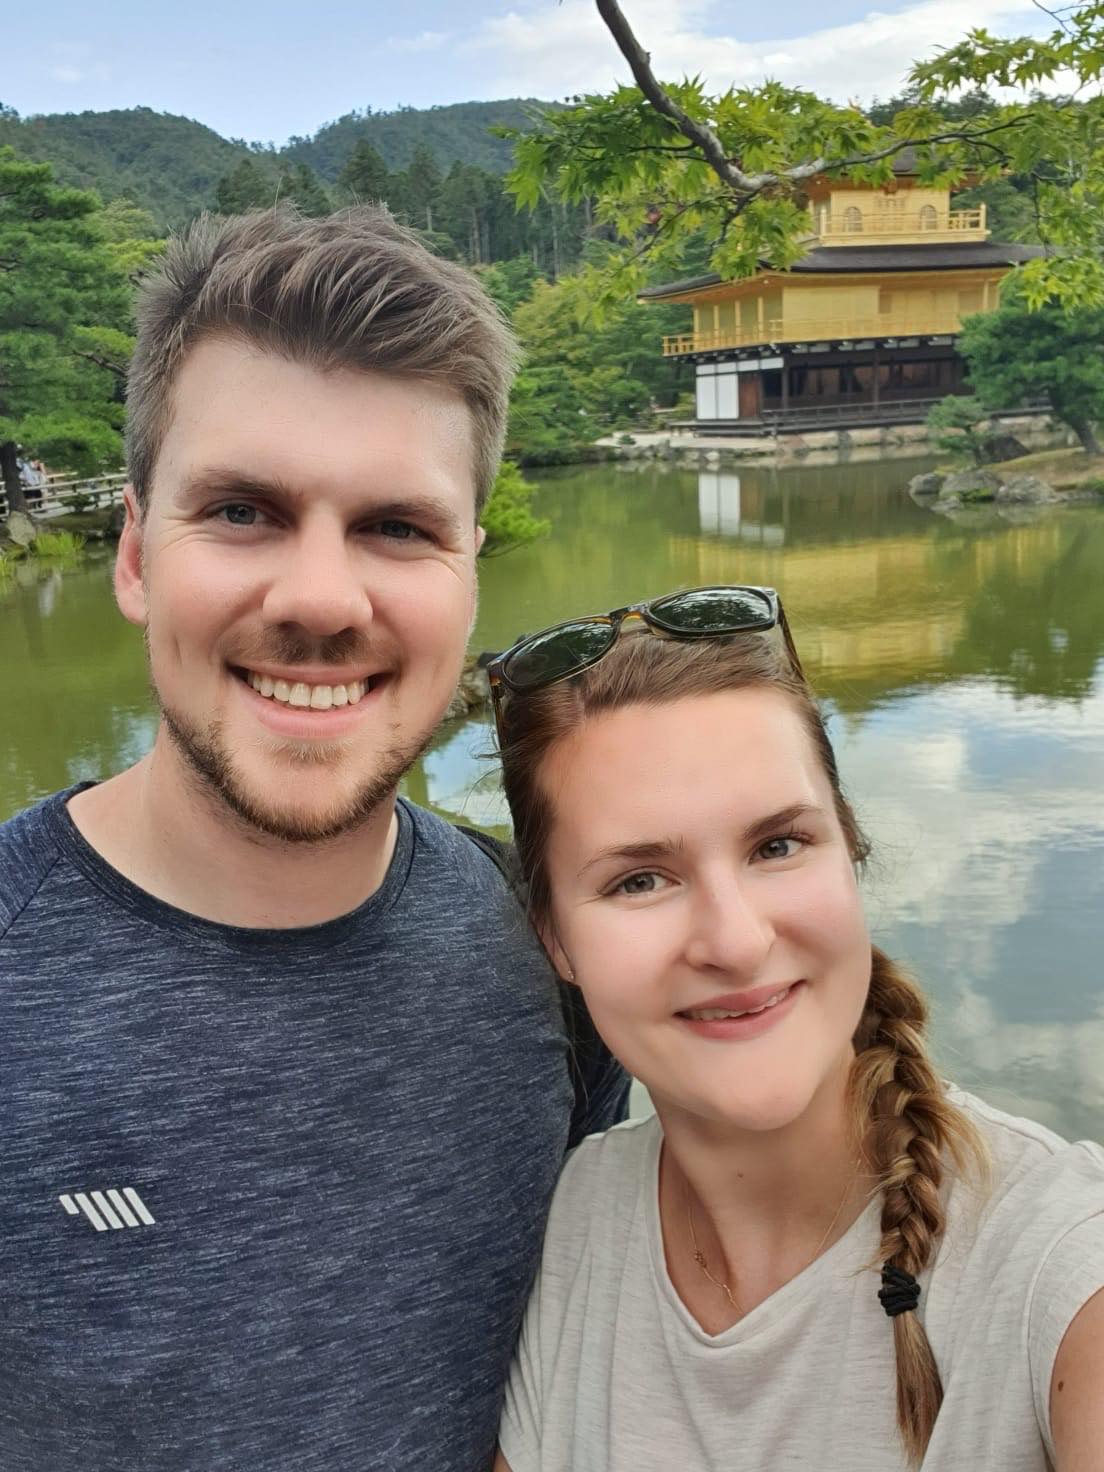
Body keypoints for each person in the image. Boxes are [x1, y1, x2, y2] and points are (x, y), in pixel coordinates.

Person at [0, 206, 625, 1471]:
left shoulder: (551, 953)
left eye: (399, 526)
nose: (323, 600)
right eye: (241, 510)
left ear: (470, 574)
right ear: (132, 552)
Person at [489, 586, 1104, 1471]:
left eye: (777, 845)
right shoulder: (580, 1220)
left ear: (848, 850)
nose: (736, 940)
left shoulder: (1053, 1261)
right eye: (639, 880)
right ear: (557, 941)